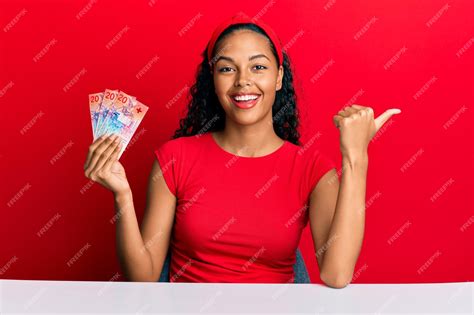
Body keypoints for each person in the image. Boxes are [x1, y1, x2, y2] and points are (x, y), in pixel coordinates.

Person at [83, 13, 401, 288]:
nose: (243, 82)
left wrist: (356, 156)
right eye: (227, 69)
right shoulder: (173, 159)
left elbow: (336, 274)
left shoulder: (312, 170)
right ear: (213, 79)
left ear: (278, 77)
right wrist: (122, 196)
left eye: (258, 67)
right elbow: (144, 277)